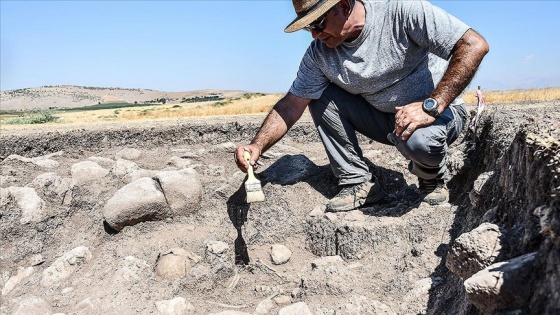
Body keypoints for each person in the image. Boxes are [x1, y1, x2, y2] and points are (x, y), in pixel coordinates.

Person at [235, 0, 489, 212]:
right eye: (308, 28)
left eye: (318, 23)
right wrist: (257, 145)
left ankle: (431, 178)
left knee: (420, 142)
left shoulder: (401, 11)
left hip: (438, 115)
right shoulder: (319, 54)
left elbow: (474, 44)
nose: (314, 34)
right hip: (385, 119)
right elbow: (291, 105)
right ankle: (358, 182)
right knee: (318, 95)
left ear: (344, 6)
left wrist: (431, 106)